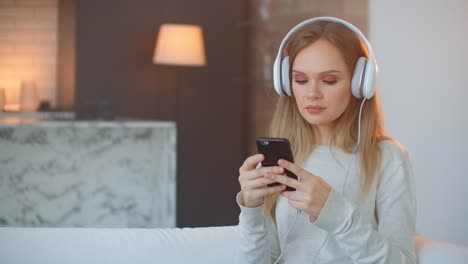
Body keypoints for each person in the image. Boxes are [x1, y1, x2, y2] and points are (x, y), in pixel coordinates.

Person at [236, 17, 416, 263]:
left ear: (359, 83)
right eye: (300, 80)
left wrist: (334, 212)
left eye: (329, 80)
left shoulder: (389, 158)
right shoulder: (277, 161)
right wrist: (251, 209)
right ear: (287, 85)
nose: (312, 93)